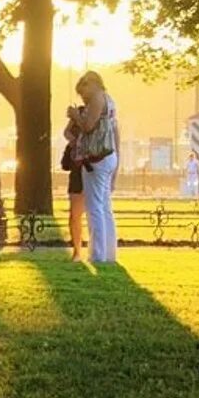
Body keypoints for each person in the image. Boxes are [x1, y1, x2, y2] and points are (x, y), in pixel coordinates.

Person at [68, 71, 119, 264]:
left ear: (92, 84)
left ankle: (98, 255)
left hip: (96, 159)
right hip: (108, 156)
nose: (83, 97)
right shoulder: (110, 101)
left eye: (83, 92)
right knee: (105, 207)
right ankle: (109, 253)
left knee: (94, 207)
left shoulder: (97, 99)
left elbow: (88, 126)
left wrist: (75, 115)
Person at [63, 108, 86, 261]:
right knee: (75, 216)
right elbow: (65, 164)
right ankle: (77, 250)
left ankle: (79, 251)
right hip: (77, 180)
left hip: (82, 179)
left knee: (76, 216)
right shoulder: (72, 145)